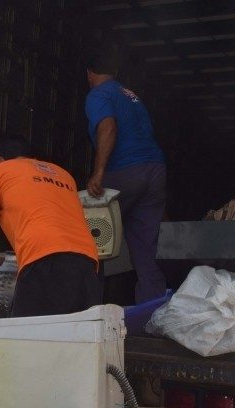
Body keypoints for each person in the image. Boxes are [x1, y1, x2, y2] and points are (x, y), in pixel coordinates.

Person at [0, 134, 100, 317]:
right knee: (77, 339)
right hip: (87, 261)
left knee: (29, 339)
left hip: (42, 259)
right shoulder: (64, 175)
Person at [85, 49, 167, 304]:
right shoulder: (131, 96)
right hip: (154, 171)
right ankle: (152, 313)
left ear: (89, 73)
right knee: (145, 247)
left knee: (91, 239)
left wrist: (98, 172)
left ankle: (88, 309)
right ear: (116, 73)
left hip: (125, 171)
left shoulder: (98, 94)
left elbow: (108, 126)